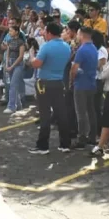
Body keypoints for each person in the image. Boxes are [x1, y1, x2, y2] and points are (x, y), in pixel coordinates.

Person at [28, 22, 74, 155]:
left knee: (45, 115)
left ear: (49, 33)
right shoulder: (66, 46)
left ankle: (43, 146)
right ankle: (65, 144)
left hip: (44, 83)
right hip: (59, 82)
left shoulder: (46, 46)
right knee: (61, 114)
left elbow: (37, 63)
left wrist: (31, 56)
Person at [71, 27, 99, 147]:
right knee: (91, 111)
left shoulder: (82, 50)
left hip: (81, 84)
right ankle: (92, 136)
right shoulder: (94, 48)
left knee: (81, 113)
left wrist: (71, 80)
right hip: (91, 83)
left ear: (81, 35)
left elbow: (74, 69)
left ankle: (82, 138)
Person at [4, 25, 26, 114]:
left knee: (13, 84)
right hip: (10, 63)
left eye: (11, 31)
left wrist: (12, 66)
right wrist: (7, 64)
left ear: (16, 32)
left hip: (18, 64)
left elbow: (21, 56)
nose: (10, 32)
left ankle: (11, 106)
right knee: (12, 85)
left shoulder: (21, 42)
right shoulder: (9, 41)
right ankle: (18, 104)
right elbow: (7, 54)